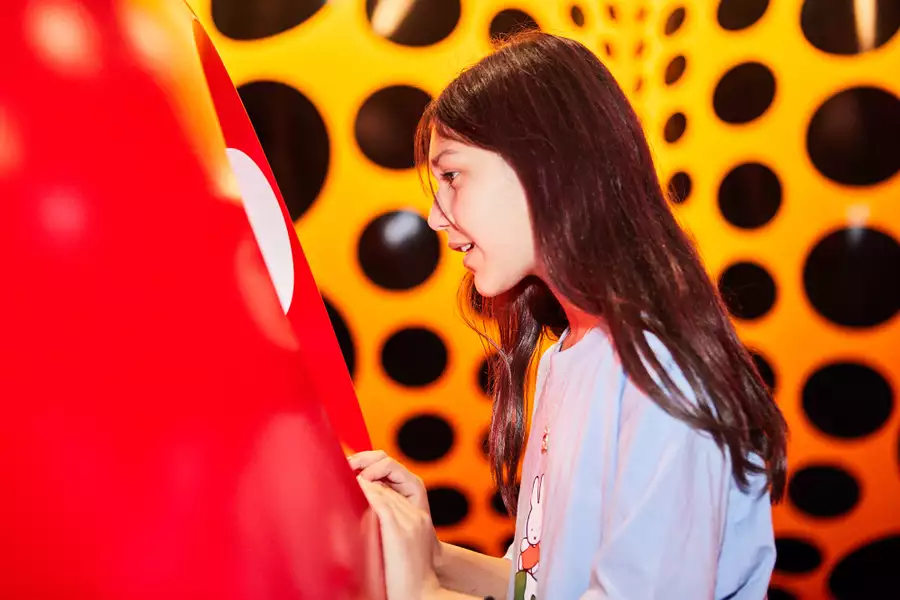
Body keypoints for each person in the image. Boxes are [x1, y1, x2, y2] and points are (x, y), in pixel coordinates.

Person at [351, 30, 788, 600]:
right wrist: (430, 554)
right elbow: (539, 585)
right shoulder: (570, 356)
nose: (436, 216)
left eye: (452, 176)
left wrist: (419, 593)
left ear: (545, 166)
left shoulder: (658, 372)